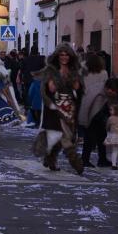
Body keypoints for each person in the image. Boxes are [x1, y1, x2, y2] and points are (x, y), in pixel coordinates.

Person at [34, 43, 84, 174]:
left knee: (64, 136)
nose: (64, 57)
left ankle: (50, 158)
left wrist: (75, 82)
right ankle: (76, 162)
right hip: (55, 109)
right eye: (61, 55)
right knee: (63, 136)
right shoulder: (51, 70)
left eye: (66, 54)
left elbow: (78, 89)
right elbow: (48, 90)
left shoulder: (74, 70)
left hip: (70, 109)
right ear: (57, 56)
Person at [78, 54, 111, 168]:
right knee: (102, 134)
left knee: (89, 135)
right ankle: (102, 159)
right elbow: (106, 88)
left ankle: (85, 158)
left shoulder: (82, 71)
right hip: (99, 105)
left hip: (85, 104)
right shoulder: (103, 73)